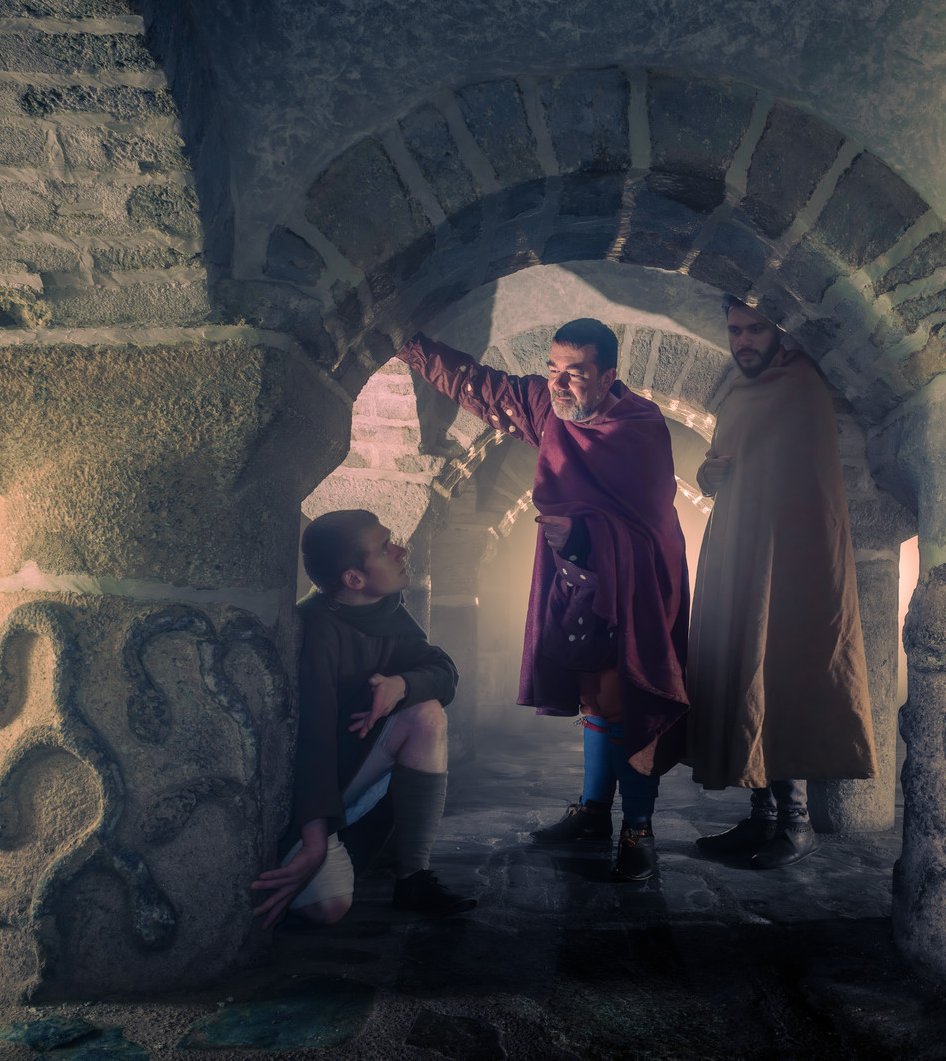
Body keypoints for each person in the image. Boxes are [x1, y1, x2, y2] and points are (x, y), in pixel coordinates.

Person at [397, 319, 690, 882]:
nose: (558, 384)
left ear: (608, 376)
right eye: (552, 370)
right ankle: (594, 813)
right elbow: (475, 385)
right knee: (593, 698)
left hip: (636, 582)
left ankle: (640, 830)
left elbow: (647, 521)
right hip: (574, 577)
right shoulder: (545, 406)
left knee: (625, 696)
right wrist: (405, 340)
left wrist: (582, 534)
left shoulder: (641, 426)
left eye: (574, 375)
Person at [687, 296, 877, 869]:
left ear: (779, 330)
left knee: (782, 672)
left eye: (754, 329)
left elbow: (805, 478)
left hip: (792, 559)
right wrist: (708, 473)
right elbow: (725, 465)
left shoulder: (801, 387)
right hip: (740, 550)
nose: (742, 341)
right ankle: (761, 817)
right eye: (734, 331)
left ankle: (796, 821)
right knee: (744, 666)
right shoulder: (738, 395)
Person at [251, 509, 477, 927]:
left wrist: (402, 686)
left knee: (426, 715)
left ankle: (413, 876)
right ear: (354, 579)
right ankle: (333, 844)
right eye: (385, 547)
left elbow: (444, 671)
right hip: (312, 789)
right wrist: (315, 840)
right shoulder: (317, 628)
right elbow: (312, 741)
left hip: (356, 768)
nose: (401, 550)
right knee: (328, 909)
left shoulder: (385, 609)